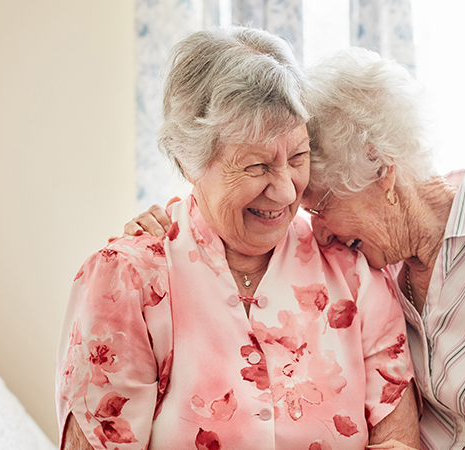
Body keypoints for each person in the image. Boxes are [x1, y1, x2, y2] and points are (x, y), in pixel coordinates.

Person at [129, 47, 465, 449]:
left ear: (381, 171)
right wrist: (165, 224)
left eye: (321, 205)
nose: (321, 234)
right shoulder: (376, 271)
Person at [56, 27, 420, 450]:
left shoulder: (354, 272)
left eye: (298, 157)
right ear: (190, 161)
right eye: (257, 166)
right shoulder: (127, 282)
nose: (286, 191)